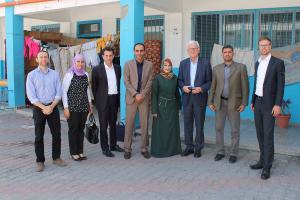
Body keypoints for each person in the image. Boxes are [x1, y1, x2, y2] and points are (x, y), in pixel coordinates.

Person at [250, 36, 285, 180]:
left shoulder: (278, 63)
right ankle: (262, 160)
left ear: (270, 46)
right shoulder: (258, 63)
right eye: (261, 45)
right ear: (259, 47)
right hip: (257, 102)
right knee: (260, 133)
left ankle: (267, 167)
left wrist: (277, 104)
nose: (263, 48)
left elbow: (280, 86)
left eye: (266, 45)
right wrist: (253, 100)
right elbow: (257, 83)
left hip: (270, 104)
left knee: (268, 135)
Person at [26, 50, 67, 172]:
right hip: (39, 108)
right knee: (39, 136)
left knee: (57, 134)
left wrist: (51, 107)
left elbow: (58, 93)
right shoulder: (31, 75)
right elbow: (31, 96)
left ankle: (56, 157)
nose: (44, 59)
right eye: (41, 57)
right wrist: (44, 108)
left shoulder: (54, 74)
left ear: (48, 59)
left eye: (45, 57)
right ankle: (40, 161)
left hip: (52, 107)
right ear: (37, 60)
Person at [208, 45, 249, 163]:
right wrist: (210, 101)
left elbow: (245, 87)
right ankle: (220, 151)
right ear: (222, 54)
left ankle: (234, 153)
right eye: (225, 52)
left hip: (234, 103)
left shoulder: (241, 68)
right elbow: (213, 86)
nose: (227, 54)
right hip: (219, 103)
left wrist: (244, 103)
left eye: (229, 52)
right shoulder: (216, 68)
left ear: (233, 54)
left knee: (235, 130)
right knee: (218, 128)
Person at [178, 40, 212, 158]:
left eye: (194, 48)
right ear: (188, 51)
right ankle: (189, 146)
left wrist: (201, 89)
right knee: (187, 122)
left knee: (199, 123)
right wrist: (183, 87)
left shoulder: (206, 63)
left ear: (198, 50)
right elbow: (180, 80)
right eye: (190, 49)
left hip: (200, 97)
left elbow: (209, 82)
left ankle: (198, 147)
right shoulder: (183, 64)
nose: (192, 51)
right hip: (187, 97)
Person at [92, 47, 124, 158]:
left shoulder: (118, 68)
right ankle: (105, 148)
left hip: (114, 99)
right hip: (103, 101)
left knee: (113, 124)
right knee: (104, 126)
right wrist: (98, 101)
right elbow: (94, 87)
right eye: (106, 56)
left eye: (110, 55)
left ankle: (113, 145)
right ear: (103, 56)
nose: (109, 58)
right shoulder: (96, 69)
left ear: (113, 56)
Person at [123, 43, 153, 159]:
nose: (139, 53)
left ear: (144, 51)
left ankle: (144, 148)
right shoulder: (128, 64)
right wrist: (135, 94)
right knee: (129, 124)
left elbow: (150, 81)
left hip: (144, 99)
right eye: (137, 51)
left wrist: (142, 94)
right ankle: (127, 148)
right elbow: (126, 81)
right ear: (134, 52)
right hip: (132, 98)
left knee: (144, 124)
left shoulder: (149, 65)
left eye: (141, 50)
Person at [62, 54, 92, 161]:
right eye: (78, 62)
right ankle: (74, 152)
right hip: (72, 107)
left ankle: (80, 151)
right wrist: (66, 107)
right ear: (74, 62)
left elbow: (87, 90)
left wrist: (90, 103)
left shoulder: (86, 74)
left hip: (84, 106)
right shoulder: (69, 75)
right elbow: (64, 92)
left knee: (81, 129)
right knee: (73, 129)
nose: (80, 64)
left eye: (82, 62)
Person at [151, 58, 182, 158]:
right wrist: (154, 110)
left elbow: (177, 93)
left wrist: (179, 106)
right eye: (165, 65)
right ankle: (160, 150)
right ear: (162, 67)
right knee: (161, 130)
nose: (167, 67)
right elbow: (154, 95)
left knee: (172, 129)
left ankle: (173, 150)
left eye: (169, 66)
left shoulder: (175, 78)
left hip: (172, 106)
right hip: (161, 107)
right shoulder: (157, 78)